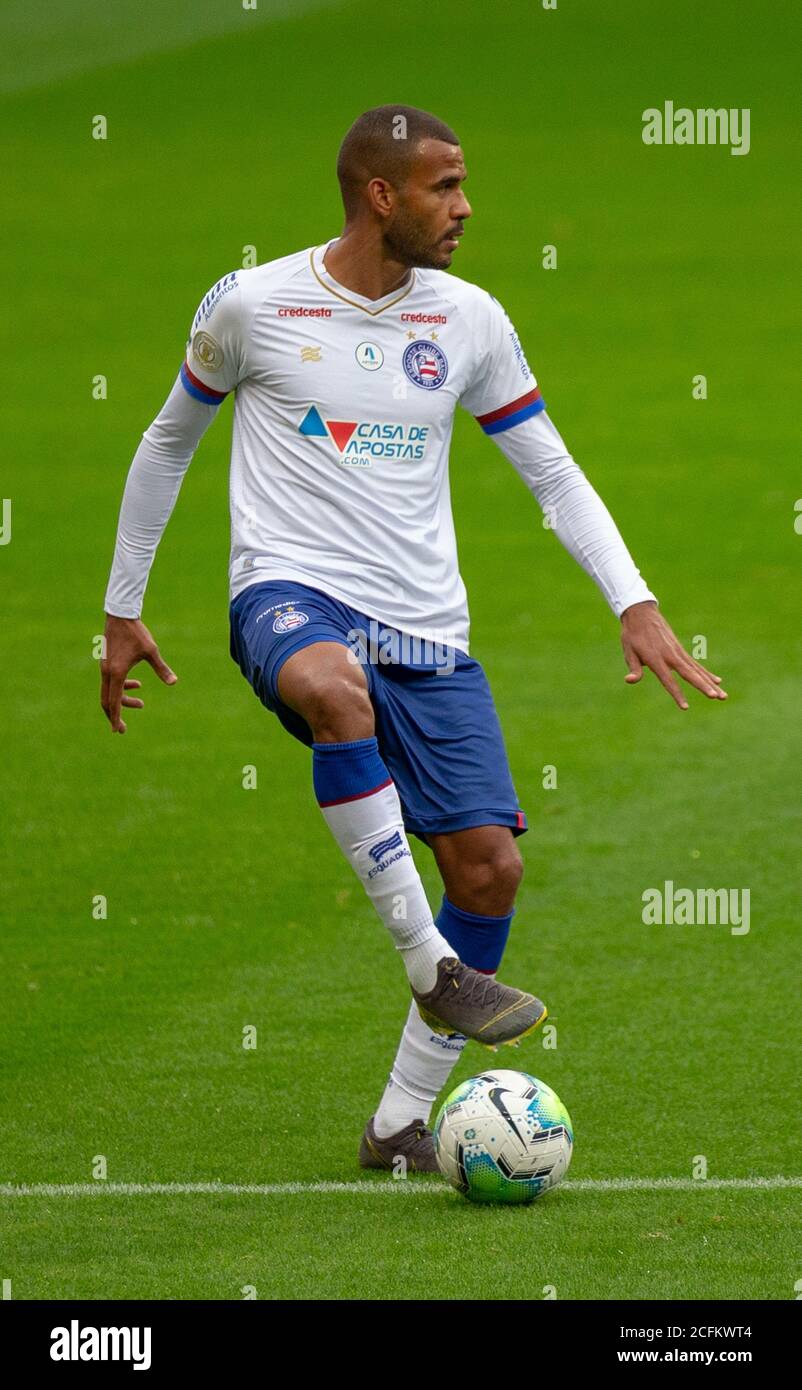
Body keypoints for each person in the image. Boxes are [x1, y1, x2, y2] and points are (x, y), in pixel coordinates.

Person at [100, 105, 727, 1174]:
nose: (465, 207)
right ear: (379, 195)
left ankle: (396, 1123)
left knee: (487, 869)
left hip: (428, 631)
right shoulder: (254, 304)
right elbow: (167, 443)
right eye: (444, 187)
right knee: (333, 690)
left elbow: (550, 469)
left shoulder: (470, 319)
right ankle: (428, 960)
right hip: (287, 594)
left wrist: (635, 600)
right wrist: (124, 606)